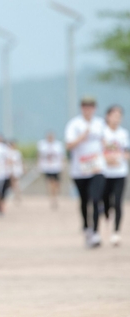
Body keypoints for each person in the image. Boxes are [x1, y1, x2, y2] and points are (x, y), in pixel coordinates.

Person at [65, 97, 106, 248]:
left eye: (91, 107)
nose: (88, 109)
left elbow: (106, 143)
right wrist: (82, 137)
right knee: (84, 200)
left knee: (95, 199)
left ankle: (95, 231)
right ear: (81, 108)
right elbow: (69, 145)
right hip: (80, 170)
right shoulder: (74, 124)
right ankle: (86, 226)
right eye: (85, 107)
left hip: (97, 168)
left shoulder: (100, 124)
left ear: (95, 108)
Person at [103, 105, 129, 246]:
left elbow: (127, 152)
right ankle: (107, 214)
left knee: (118, 202)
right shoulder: (102, 133)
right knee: (106, 200)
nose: (116, 119)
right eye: (114, 115)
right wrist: (106, 159)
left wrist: (120, 157)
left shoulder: (123, 134)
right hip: (105, 173)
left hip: (120, 173)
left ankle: (116, 232)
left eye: (119, 116)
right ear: (108, 116)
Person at [37, 132, 65, 208]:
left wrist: (63, 165)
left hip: (56, 167)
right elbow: (39, 155)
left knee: (57, 184)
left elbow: (62, 156)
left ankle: (55, 195)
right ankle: (52, 198)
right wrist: (39, 165)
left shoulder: (58, 145)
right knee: (50, 183)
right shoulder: (42, 145)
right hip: (47, 168)